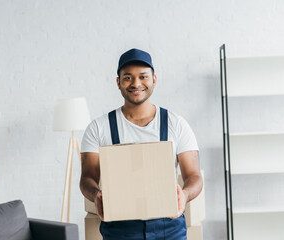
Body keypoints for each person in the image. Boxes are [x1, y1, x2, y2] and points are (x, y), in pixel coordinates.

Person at [79, 48, 203, 240]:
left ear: (154, 79)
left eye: (143, 76)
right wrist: (96, 196)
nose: (136, 83)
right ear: (118, 82)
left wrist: (185, 195)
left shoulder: (176, 124)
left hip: (168, 228)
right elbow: (87, 178)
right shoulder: (98, 127)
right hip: (120, 229)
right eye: (128, 77)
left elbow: (194, 176)